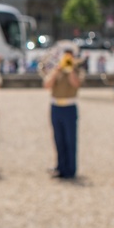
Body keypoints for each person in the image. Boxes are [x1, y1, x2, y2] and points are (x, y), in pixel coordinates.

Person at [43, 43, 84, 179]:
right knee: (58, 138)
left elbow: (76, 84)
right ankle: (60, 166)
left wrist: (70, 69)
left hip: (69, 107)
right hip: (56, 107)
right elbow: (47, 85)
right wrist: (57, 70)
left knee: (70, 139)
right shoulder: (57, 69)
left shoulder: (77, 69)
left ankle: (71, 169)